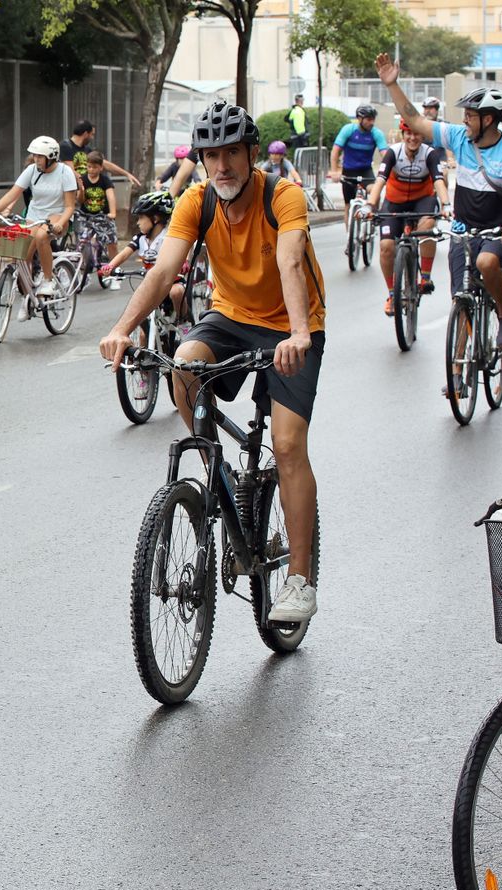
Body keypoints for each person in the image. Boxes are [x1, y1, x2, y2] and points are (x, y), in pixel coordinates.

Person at [99, 99, 326, 625]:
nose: (221, 166)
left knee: (289, 446)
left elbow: (291, 261)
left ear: (250, 154)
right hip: (230, 316)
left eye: (231, 154)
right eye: (211, 156)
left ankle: (298, 577)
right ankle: (215, 472)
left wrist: (296, 334)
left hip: (294, 324)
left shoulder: (284, 196)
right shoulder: (196, 201)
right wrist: (120, 329)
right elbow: (162, 273)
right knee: (183, 363)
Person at [379, 53, 502, 350]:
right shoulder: (459, 137)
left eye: (471, 116)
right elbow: (415, 119)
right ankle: (463, 368)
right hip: (463, 228)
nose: (464, 120)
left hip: (497, 229)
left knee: (486, 262)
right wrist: (392, 85)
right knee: (460, 297)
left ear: (488, 119)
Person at [361, 118, 447, 315]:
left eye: (416, 133)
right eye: (408, 133)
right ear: (403, 135)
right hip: (395, 201)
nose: (412, 137)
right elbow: (380, 181)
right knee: (386, 247)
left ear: (422, 135)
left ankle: (424, 277)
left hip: (422, 200)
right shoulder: (393, 152)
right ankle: (392, 294)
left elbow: (439, 181)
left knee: (427, 227)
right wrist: (369, 205)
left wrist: (447, 205)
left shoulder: (430, 154)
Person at [0, 136, 78, 306]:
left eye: (39, 156)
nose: (36, 160)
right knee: (21, 254)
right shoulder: (32, 170)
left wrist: (59, 223)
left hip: (58, 215)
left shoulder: (65, 172)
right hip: (35, 215)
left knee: (42, 237)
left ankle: (48, 279)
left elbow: (70, 206)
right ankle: (29, 297)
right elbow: (12, 193)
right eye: (34, 156)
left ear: (51, 157)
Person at [99, 190, 190, 323]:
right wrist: (110, 266)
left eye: (141, 218)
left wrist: (185, 261)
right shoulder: (140, 239)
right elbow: (124, 254)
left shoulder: (169, 236)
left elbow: (185, 243)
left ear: (155, 218)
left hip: (172, 280)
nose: (138, 222)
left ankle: (182, 321)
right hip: (151, 283)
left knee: (177, 292)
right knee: (142, 326)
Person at [329, 104, 387, 207]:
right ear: (360, 119)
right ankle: (349, 223)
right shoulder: (348, 130)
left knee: (375, 193)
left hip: (366, 171)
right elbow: (335, 151)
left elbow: (385, 155)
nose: (371, 123)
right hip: (348, 171)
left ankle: (373, 217)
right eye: (368, 119)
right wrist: (334, 171)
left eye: (373, 119)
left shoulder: (376, 133)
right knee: (348, 205)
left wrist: (388, 173)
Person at [60, 119, 142, 184]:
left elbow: (104, 164)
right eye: (92, 134)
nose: (92, 138)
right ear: (85, 134)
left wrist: (126, 174)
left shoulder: (87, 150)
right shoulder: (65, 146)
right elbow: (71, 172)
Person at [75, 150, 120, 262]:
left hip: (103, 216)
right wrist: (81, 189)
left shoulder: (105, 180)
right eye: (89, 167)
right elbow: (80, 200)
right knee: (83, 242)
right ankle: (84, 268)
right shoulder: (83, 180)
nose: (91, 170)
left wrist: (113, 213)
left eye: (94, 167)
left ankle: (114, 268)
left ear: (101, 168)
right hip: (86, 216)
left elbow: (111, 197)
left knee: (111, 242)